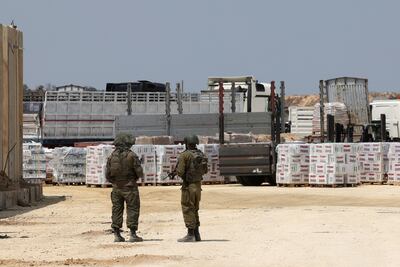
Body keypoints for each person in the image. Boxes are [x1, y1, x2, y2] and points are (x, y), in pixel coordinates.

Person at [106, 133, 144, 242]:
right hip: (130, 187)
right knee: (132, 209)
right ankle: (132, 234)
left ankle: (117, 235)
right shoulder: (132, 155)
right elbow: (140, 173)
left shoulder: (112, 156)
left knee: (116, 209)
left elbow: (107, 174)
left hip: (116, 187)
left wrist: (115, 182)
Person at [176, 135, 208, 242]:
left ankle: (190, 234)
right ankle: (197, 234)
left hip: (188, 186)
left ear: (186, 143)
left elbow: (180, 172)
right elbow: (205, 170)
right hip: (198, 185)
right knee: (195, 208)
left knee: (187, 208)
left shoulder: (184, 155)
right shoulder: (201, 154)